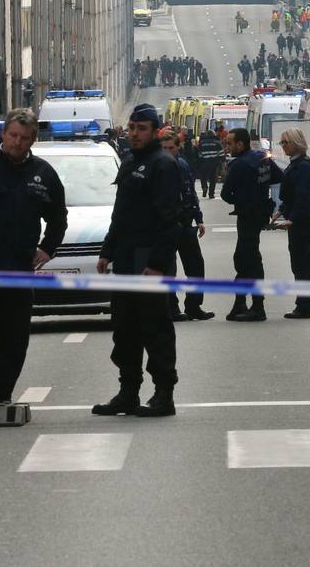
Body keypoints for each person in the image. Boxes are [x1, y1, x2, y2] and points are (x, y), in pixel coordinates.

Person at [93, 104, 184, 418]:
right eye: (131, 128)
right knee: (125, 329)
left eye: (141, 128)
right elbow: (120, 215)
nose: (134, 133)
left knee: (155, 329)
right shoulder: (130, 162)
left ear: (155, 130)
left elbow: (170, 220)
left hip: (150, 260)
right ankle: (128, 392)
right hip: (126, 258)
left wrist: (158, 263)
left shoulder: (163, 165)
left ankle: (163, 394)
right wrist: (107, 251)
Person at [0, 108, 67, 404]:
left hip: (19, 266)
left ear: (33, 141)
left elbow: (58, 217)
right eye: (13, 135)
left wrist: (47, 248)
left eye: (24, 138)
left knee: (13, 336)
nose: (17, 142)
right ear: (3, 134)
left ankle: (0, 394)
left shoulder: (43, 173)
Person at [220, 128, 283, 321]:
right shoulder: (262, 158)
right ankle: (240, 303)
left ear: (241, 144)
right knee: (246, 257)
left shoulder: (239, 165)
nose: (227, 147)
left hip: (248, 215)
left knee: (248, 259)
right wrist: (259, 190)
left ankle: (256, 306)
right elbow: (278, 177)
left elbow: (225, 194)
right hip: (261, 213)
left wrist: (243, 197)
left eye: (230, 143)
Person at [160, 128, 215, 321]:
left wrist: (198, 218)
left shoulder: (182, 165)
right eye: (164, 147)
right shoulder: (156, 168)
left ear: (179, 147)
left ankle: (193, 305)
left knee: (196, 266)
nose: (168, 151)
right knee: (168, 269)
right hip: (165, 225)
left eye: (171, 147)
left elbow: (190, 193)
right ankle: (171, 307)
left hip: (184, 223)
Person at [273, 129, 310, 319]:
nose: (283, 146)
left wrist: (293, 218)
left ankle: (305, 306)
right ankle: (303, 303)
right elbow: (291, 194)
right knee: (298, 262)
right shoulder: (296, 164)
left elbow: (303, 196)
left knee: (301, 263)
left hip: (303, 219)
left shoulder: (304, 166)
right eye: (282, 143)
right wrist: (282, 210)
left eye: (285, 142)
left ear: (295, 143)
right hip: (297, 216)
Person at [197, 127, 224, 198]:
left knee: (203, 177)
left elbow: (199, 155)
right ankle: (211, 194)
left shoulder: (202, 143)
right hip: (214, 164)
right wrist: (222, 162)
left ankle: (204, 187)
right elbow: (221, 154)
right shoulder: (217, 143)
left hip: (204, 163)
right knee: (213, 179)